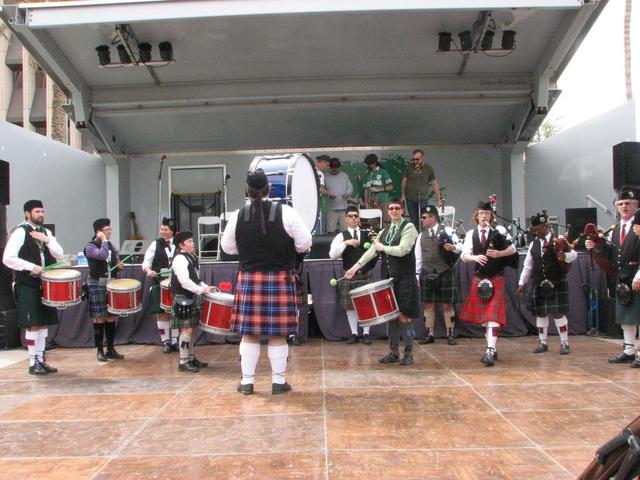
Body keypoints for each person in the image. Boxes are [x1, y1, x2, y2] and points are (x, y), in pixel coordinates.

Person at [221, 169, 312, 395]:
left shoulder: (237, 215)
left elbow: (227, 248)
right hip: (279, 279)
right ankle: (278, 382)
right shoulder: (287, 212)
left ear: (247, 191)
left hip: (249, 279)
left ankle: (247, 383)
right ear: (269, 189)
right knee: (277, 334)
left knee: (249, 333)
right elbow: (305, 243)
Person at [345, 198, 419, 365]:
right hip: (388, 280)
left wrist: (383, 248)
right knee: (391, 317)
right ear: (388, 211)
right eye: (391, 208)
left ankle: (408, 353)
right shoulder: (384, 232)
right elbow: (371, 251)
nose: (394, 211)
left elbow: (403, 250)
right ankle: (393, 352)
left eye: (397, 208)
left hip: (405, 278)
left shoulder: (409, 227)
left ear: (402, 211)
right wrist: (355, 267)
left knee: (404, 317)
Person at [3, 200, 64, 375]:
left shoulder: (46, 232)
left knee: (43, 323)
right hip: (28, 283)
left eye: (42, 211)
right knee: (33, 324)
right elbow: (8, 258)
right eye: (37, 212)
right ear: (27, 214)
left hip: (44, 284)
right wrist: (31, 267)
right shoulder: (20, 232)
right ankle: (32, 362)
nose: (41, 215)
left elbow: (59, 253)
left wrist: (47, 241)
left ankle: (41, 359)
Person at [460, 201, 516, 367]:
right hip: (480, 278)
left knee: (492, 316)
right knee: (485, 319)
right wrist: (475, 258)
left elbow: (512, 249)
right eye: (481, 213)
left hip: (496, 276)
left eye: (487, 213)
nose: (484, 216)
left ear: (491, 216)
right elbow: (464, 256)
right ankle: (491, 346)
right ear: (477, 216)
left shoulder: (499, 231)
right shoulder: (471, 234)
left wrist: (499, 253)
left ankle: (490, 350)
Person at [588, 190, 640, 367]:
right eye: (621, 204)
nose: (624, 207)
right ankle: (629, 350)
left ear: (636, 206)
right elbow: (611, 254)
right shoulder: (616, 229)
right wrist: (595, 247)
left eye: (628, 203)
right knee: (626, 315)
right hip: (622, 279)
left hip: (637, 276)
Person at [517, 212, 577, 355]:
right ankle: (543, 343)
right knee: (541, 313)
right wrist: (521, 283)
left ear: (546, 227)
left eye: (539, 229)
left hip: (556, 282)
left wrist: (565, 256)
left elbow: (574, 255)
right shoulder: (533, 244)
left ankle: (564, 344)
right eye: (535, 230)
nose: (537, 232)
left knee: (558, 313)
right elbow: (528, 266)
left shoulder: (560, 240)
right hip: (538, 283)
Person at [415, 205, 461, 346]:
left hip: (444, 271)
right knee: (429, 305)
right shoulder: (421, 236)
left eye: (424, 217)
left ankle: (450, 333)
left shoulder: (447, 231)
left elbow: (461, 247)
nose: (422, 220)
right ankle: (429, 334)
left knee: (447, 305)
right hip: (427, 272)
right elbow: (418, 258)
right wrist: (417, 275)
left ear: (433, 217)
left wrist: (453, 248)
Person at [329, 206, 376, 345]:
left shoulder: (367, 234)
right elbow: (332, 255)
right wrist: (345, 243)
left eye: (356, 216)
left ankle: (366, 334)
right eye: (350, 216)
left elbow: (374, 253)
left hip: (365, 273)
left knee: (367, 305)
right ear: (345, 219)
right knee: (350, 307)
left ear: (359, 218)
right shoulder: (341, 236)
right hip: (349, 275)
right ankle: (354, 334)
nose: (353, 218)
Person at [170, 230, 214, 373]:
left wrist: (206, 287)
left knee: (191, 329)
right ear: (181, 245)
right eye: (189, 241)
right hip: (182, 298)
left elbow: (196, 279)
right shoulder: (180, 259)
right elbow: (184, 281)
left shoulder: (191, 257)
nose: (193, 243)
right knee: (187, 329)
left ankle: (191, 358)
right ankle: (183, 362)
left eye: (192, 240)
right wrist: (201, 290)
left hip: (190, 297)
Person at [84, 218, 125, 362]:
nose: (109, 232)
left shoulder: (110, 245)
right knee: (99, 317)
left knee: (111, 316)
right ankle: (100, 349)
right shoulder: (91, 246)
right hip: (97, 284)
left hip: (111, 284)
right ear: (98, 232)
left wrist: (118, 264)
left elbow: (113, 257)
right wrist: (105, 242)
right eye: (106, 230)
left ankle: (111, 348)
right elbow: (102, 255)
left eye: (110, 229)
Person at [142, 217, 178, 353]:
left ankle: (175, 342)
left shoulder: (179, 244)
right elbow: (146, 262)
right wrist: (149, 271)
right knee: (162, 313)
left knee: (175, 313)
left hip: (176, 284)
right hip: (159, 283)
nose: (163, 232)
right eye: (161, 229)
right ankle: (166, 342)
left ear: (173, 231)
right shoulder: (155, 244)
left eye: (166, 229)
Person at [402, 149, 442, 229]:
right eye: (413, 159)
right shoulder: (409, 167)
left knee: (424, 218)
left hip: (423, 197)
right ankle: (415, 238)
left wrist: (438, 199)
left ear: (423, 158)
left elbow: (434, 184)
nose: (415, 161)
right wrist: (403, 195)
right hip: (410, 197)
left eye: (417, 159)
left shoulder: (428, 168)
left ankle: (424, 237)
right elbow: (404, 182)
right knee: (413, 219)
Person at [362, 153, 393, 225]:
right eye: (367, 164)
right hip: (371, 203)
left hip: (383, 202)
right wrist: (367, 205)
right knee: (373, 225)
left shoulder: (383, 172)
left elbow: (391, 187)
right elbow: (366, 190)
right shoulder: (367, 175)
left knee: (385, 223)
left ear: (375, 163)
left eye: (370, 164)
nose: (368, 166)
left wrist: (379, 190)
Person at [325, 158, 353, 233]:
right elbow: (322, 190)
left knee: (345, 232)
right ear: (330, 167)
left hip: (343, 209)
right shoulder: (325, 176)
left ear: (338, 167)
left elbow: (350, 187)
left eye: (336, 167)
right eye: (333, 167)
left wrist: (347, 194)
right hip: (331, 210)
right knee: (330, 231)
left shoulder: (344, 175)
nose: (334, 169)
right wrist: (328, 194)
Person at [315, 154, 331, 234]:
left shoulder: (311, 171)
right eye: (327, 165)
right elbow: (321, 190)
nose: (327, 167)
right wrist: (329, 193)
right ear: (322, 162)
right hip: (320, 204)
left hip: (314, 205)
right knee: (321, 227)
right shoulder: (319, 173)